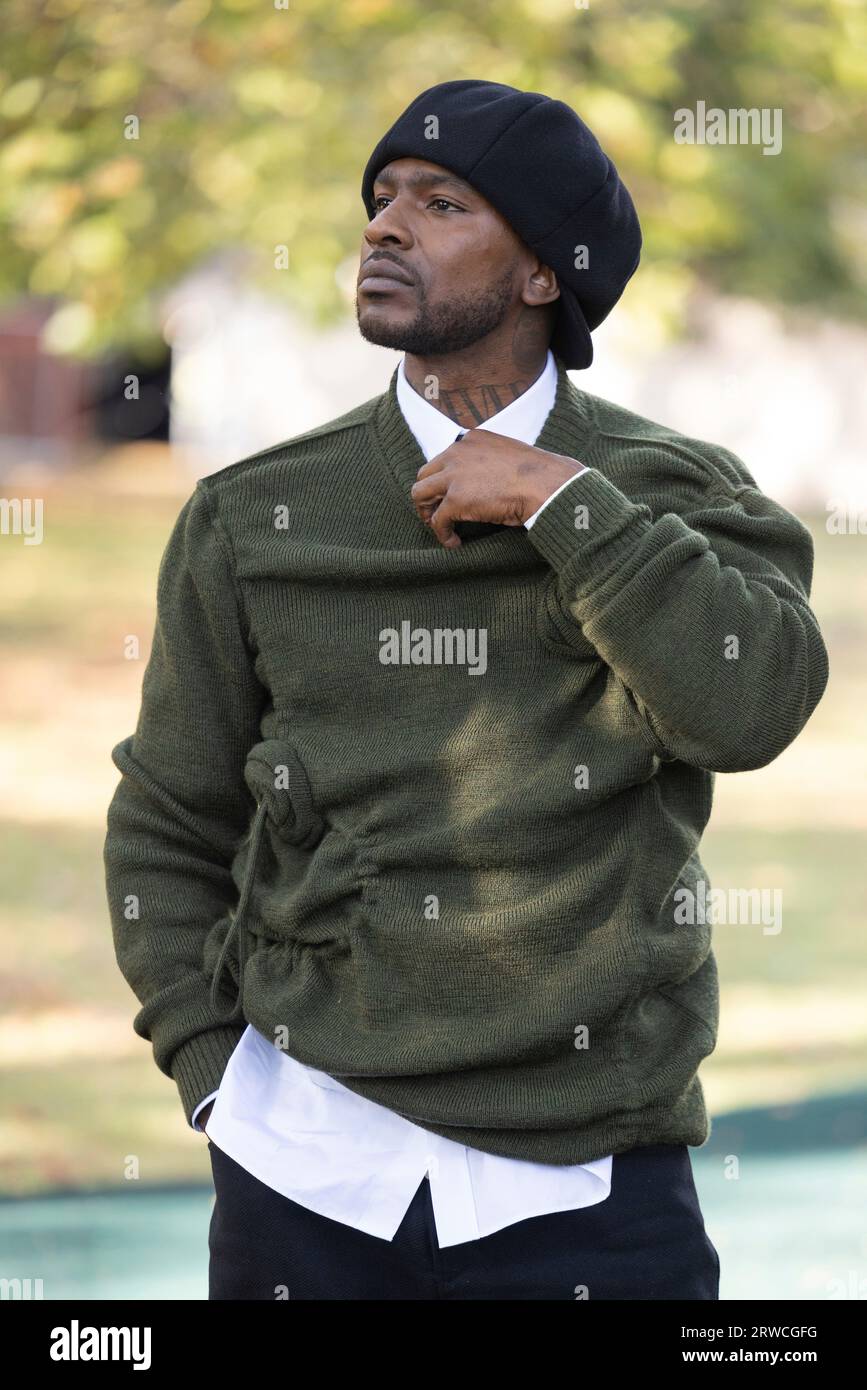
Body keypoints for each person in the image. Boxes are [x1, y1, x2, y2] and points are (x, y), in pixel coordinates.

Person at [103, 79, 829, 1300]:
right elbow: (170, 818)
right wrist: (211, 1064)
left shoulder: (676, 492)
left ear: (546, 272)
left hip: (593, 1186)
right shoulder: (253, 515)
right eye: (382, 198)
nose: (386, 224)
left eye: (441, 203)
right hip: (305, 1172)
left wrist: (564, 504)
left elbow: (749, 707)